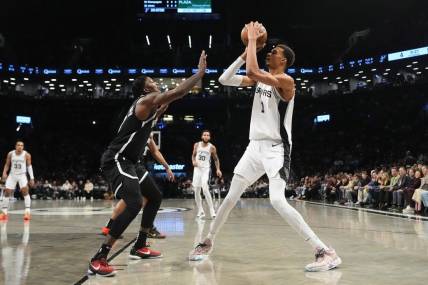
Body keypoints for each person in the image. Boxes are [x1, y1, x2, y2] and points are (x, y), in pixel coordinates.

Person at [189, 22, 341, 272]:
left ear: (284, 60)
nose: (269, 52)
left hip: (276, 150)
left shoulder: (285, 81)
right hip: (254, 148)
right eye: (268, 50)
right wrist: (243, 51)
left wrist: (251, 42)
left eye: (275, 52)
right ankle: (207, 241)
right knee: (230, 198)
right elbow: (224, 79)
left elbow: (253, 69)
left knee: (277, 201)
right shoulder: (259, 79)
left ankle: (324, 251)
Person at [88, 50, 207, 277]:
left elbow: (164, 106)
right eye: (153, 82)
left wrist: (165, 105)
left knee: (155, 196)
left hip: (132, 162)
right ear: (145, 89)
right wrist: (199, 73)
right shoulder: (144, 101)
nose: (156, 83)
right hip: (117, 159)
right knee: (133, 203)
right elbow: (179, 92)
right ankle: (99, 257)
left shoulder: (151, 109)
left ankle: (140, 245)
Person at [101, 133, 175, 239]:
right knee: (152, 197)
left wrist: (167, 167)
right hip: (130, 165)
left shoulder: (146, 131)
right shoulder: (137, 126)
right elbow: (154, 151)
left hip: (126, 165)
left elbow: (155, 151)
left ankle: (109, 227)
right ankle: (148, 229)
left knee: (129, 199)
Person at [1, 141, 34, 221]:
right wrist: (4, 173)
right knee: (7, 192)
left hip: (22, 175)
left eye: (22, 145)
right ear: (15, 146)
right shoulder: (10, 154)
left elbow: (29, 167)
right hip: (12, 175)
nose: (20, 146)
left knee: (25, 191)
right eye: (18, 145)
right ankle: (4, 213)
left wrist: (32, 178)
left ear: (23, 147)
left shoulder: (27, 155)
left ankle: (27, 212)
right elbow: (7, 164)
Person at [192, 130, 222, 218]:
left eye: (208, 135)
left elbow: (216, 159)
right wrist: (193, 161)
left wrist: (218, 169)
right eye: (204, 135)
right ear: (202, 136)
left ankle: (212, 210)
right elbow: (193, 155)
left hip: (206, 170)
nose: (206, 136)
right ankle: (201, 211)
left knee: (205, 188)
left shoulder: (212, 147)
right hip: (197, 169)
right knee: (196, 191)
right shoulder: (197, 145)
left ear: (209, 137)